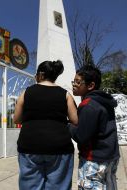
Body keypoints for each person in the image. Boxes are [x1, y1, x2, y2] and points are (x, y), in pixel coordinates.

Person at [13, 60, 78, 190]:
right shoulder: (65, 94)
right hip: (60, 147)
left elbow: (17, 119)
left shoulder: (26, 93)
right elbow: (75, 120)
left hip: (29, 145)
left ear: (41, 75)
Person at [70, 65, 120, 190]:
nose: (74, 84)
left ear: (91, 85)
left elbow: (82, 137)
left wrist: (68, 126)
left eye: (78, 82)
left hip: (93, 161)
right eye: (73, 81)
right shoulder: (105, 102)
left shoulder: (88, 105)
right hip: (111, 157)